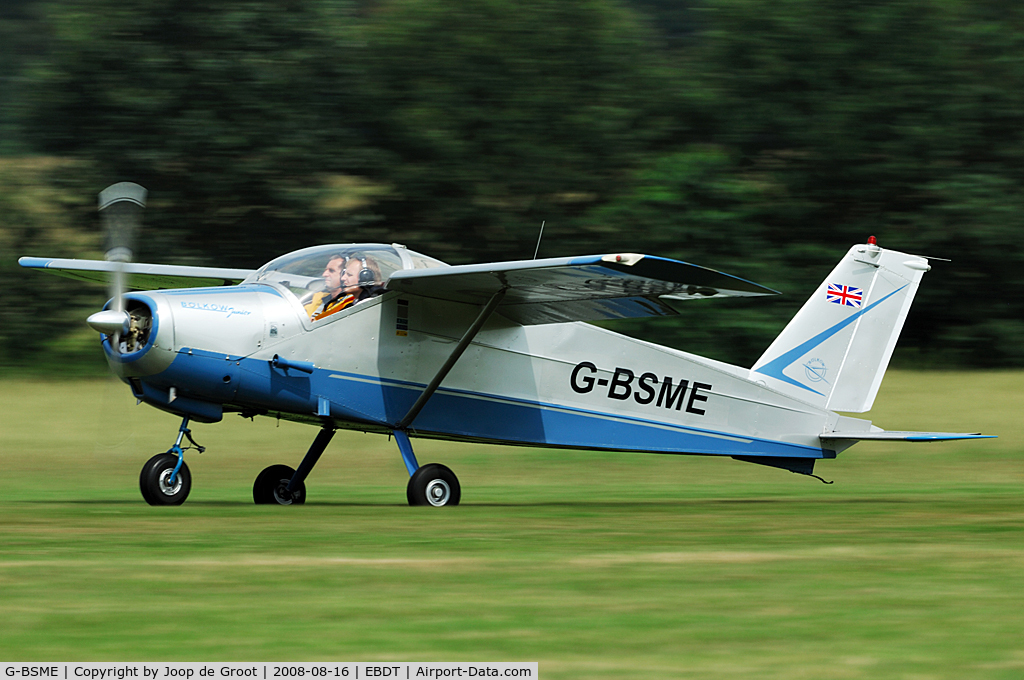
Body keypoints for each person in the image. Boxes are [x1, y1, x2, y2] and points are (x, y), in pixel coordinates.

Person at [305, 253, 355, 321]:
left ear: (344, 275)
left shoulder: (349, 304)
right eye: (326, 270)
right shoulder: (320, 298)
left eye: (331, 270)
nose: (324, 274)